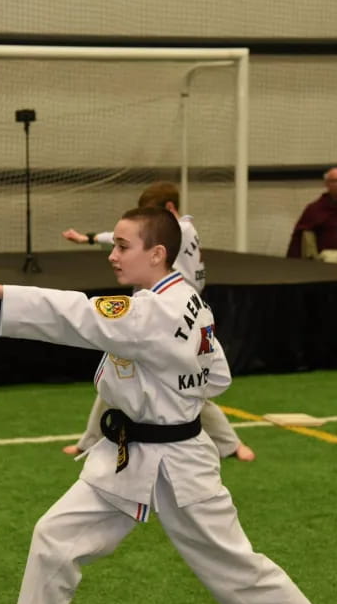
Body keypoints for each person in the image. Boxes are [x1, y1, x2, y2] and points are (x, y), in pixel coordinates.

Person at [0, 205, 337, 604]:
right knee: (54, 538)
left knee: (235, 566)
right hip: (129, 455)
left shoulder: (150, 311)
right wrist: (171, 389)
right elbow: (219, 375)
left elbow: (77, 314)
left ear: (157, 252)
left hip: (181, 462)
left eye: (123, 246)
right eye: (113, 245)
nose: (114, 256)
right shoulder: (185, 296)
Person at [61, 181, 255, 462]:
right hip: (151, 315)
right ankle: (89, 440)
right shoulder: (181, 230)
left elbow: (136, 238)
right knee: (118, 375)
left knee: (189, 389)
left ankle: (231, 444)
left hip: (177, 319)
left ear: (170, 209)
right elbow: (129, 238)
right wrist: (88, 238)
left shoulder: (182, 229)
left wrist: (92, 238)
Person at [286, 167, 337, 265]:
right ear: (327, 185)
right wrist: (291, 264)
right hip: (329, 258)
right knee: (328, 257)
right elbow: (298, 238)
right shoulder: (315, 209)